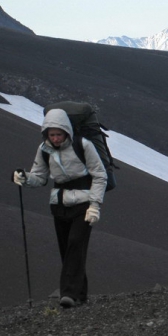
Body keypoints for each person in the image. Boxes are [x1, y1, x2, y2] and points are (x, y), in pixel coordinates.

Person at [12, 108, 107, 308]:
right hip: (59, 205)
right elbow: (39, 177)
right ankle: (80, 295)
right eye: (51, 134)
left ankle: (68, 295)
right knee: (68, 249)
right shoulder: (44, 149)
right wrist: (25, 178)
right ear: (46, 133)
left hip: (83, 203)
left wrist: (94, 206)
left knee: (74, 243)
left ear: (67, 132)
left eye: (58, 134)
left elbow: (99, 175)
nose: (55, 138)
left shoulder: (83, 145)